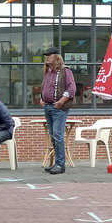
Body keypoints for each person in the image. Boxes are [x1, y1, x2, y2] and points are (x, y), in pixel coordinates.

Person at [40, 47, 75, 175]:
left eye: (49, 55)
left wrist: (61, 101)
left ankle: (60, 164)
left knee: (58, 136)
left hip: (58, 108)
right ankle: (57, 162)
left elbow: (71, 88)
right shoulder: (48, 72)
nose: (47, 57)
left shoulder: (65, 71)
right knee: (53, 136)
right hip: (48, 107)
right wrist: (42, 99)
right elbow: (44, 87)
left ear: (56, 57)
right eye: (46, 55)